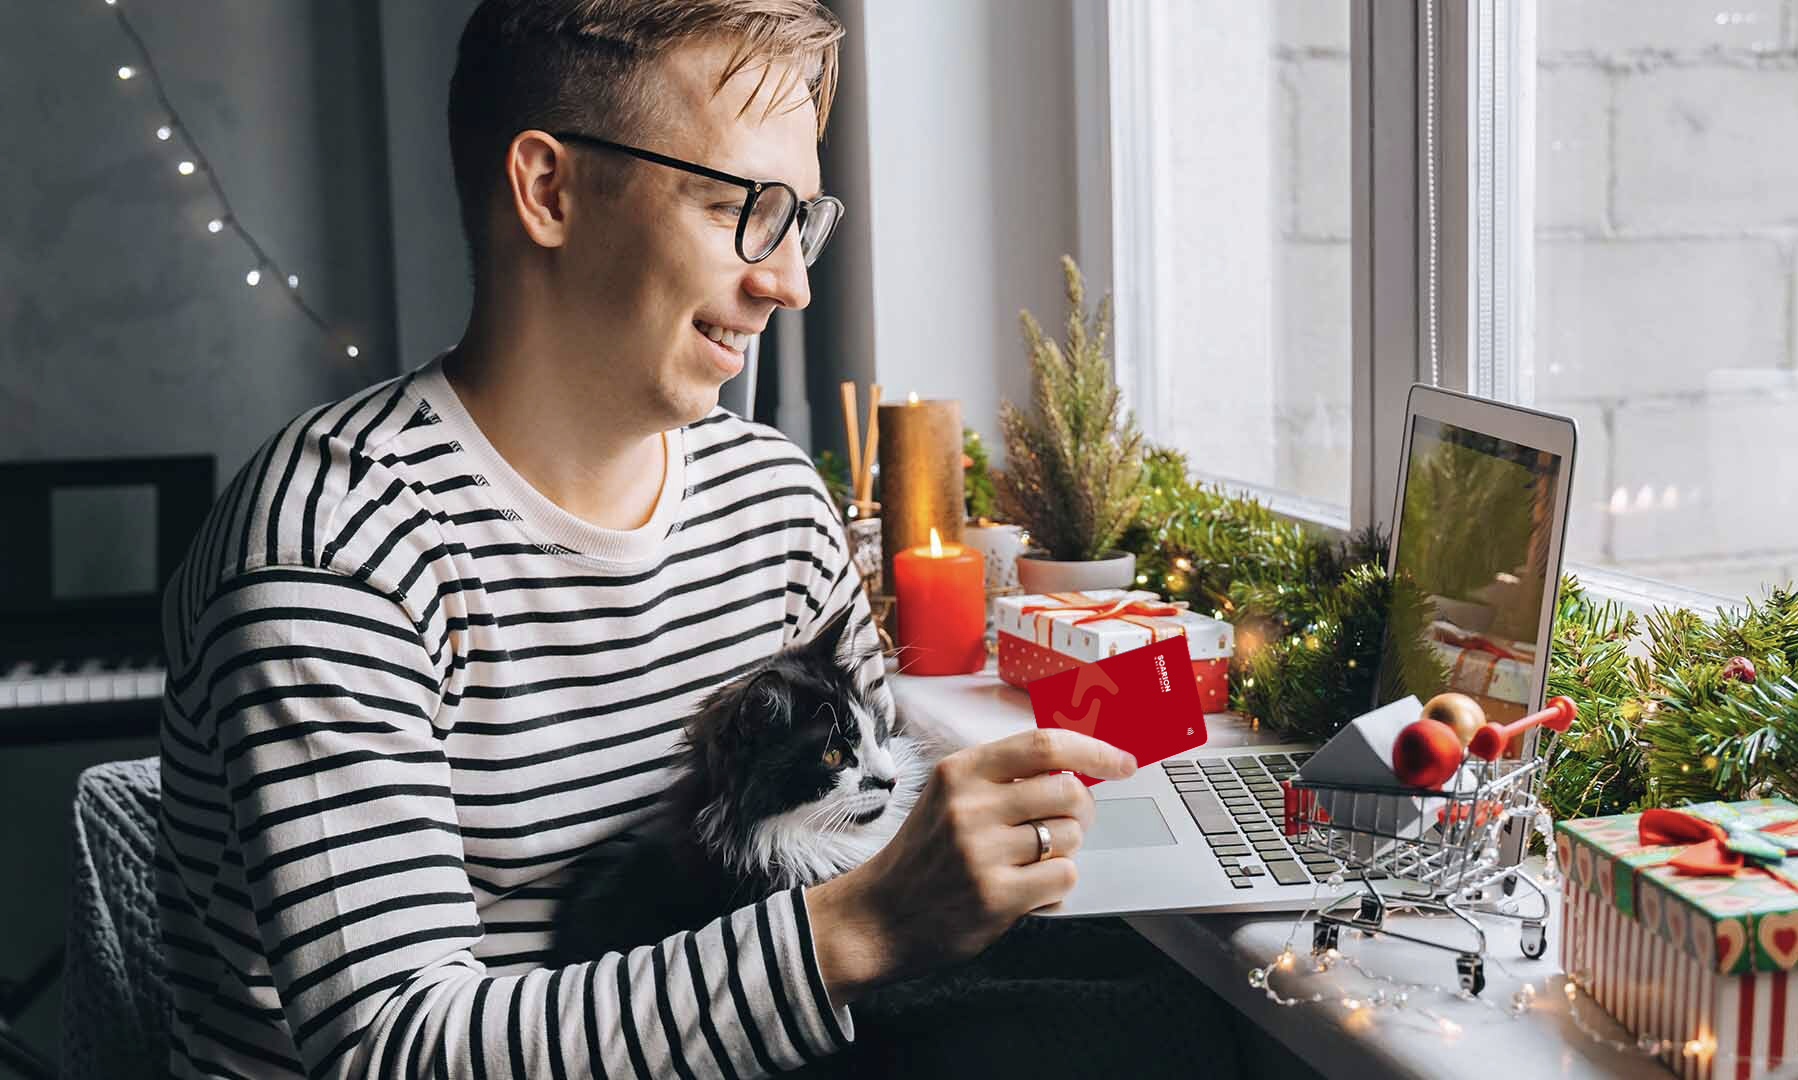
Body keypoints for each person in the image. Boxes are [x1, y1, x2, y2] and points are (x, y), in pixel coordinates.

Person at [153, 2, 1136, 1077]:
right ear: (549, 190)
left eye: (802, 221)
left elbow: (872, 821)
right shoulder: (336, 543)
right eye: (739, 209)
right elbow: (393, 1049)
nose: (790, 282)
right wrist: (858, 932)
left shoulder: (776, 508)